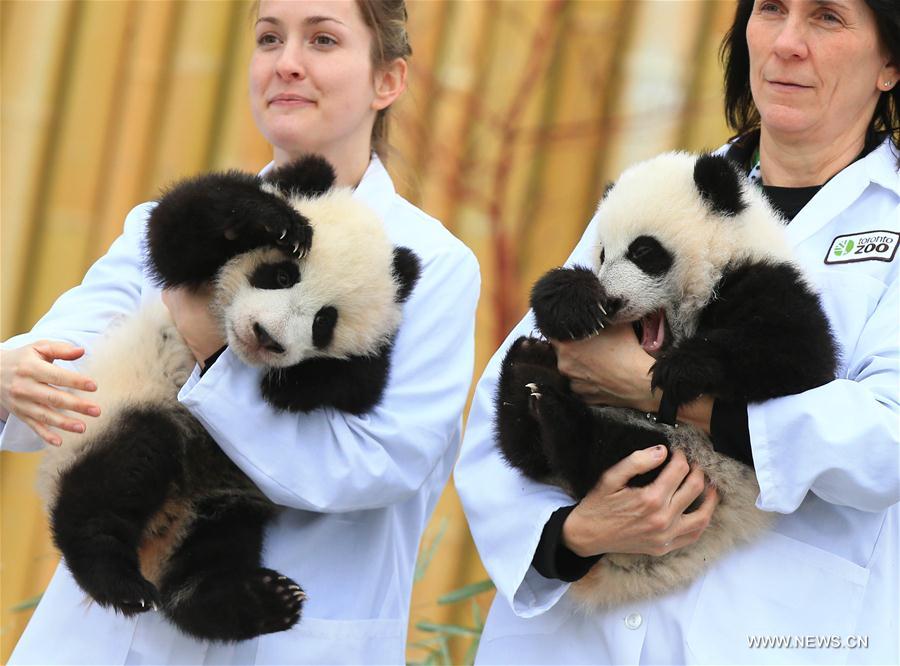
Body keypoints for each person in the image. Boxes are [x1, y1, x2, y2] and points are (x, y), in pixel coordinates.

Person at [0, 1, 480, 663]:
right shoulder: (171, 222)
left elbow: (381, 463)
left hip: (288, 634)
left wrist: (216, 351)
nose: (287, 62)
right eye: (268, 38)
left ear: (387, 80)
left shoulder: (431, 264)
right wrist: (11, 373)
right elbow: (66, 363)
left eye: (322, 39)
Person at [456, 0, 899, 663]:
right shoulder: (659, 196)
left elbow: (887, 441)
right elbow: (510, 402)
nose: (785, 43)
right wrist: (572, 534)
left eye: (827, 17)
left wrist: (659, 392)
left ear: (890, 60)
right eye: (771, 8)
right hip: (579, 641)